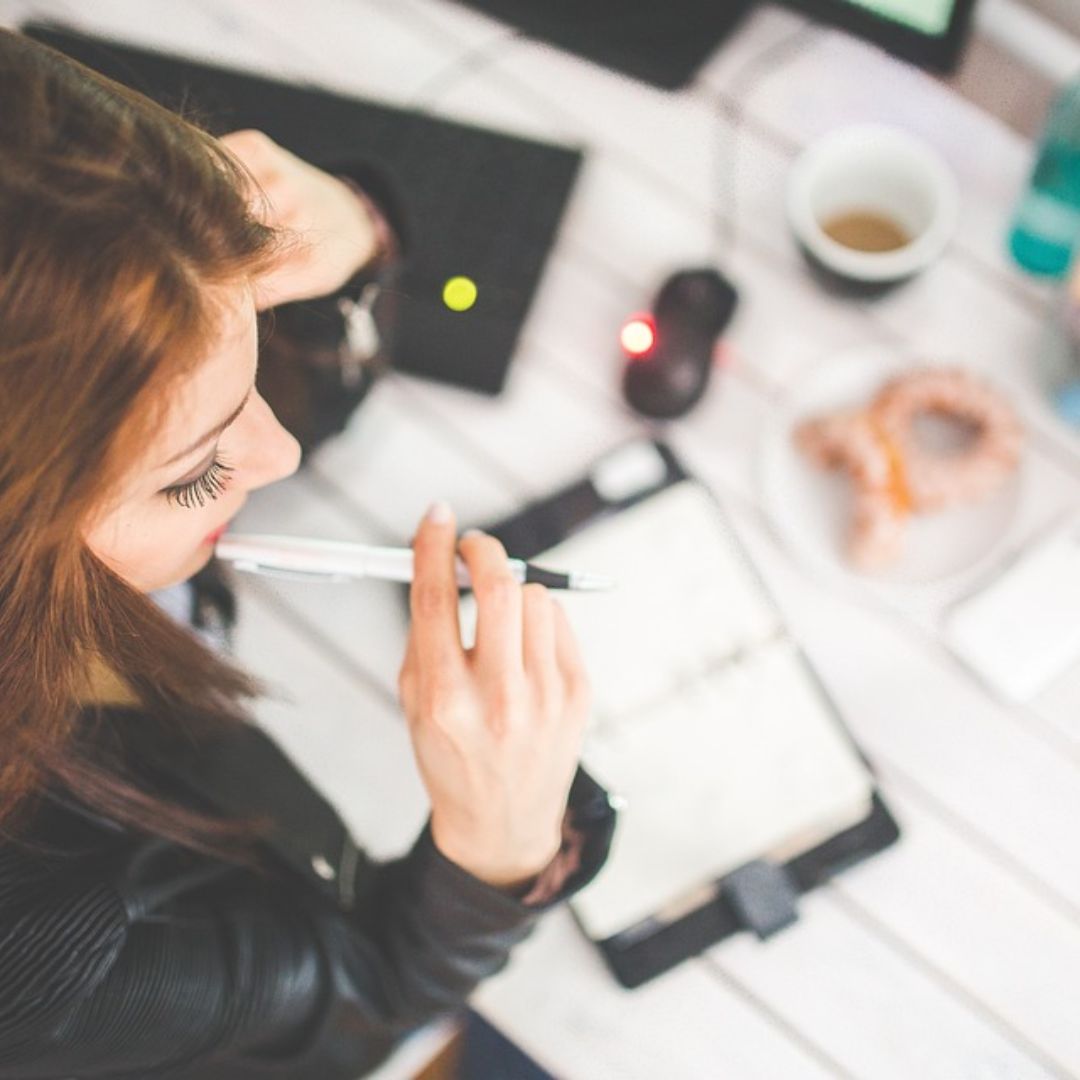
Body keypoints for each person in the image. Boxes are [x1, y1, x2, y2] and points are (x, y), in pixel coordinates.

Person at [0, 27, 614, 1079]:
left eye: (251, 327)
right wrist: (495, 851)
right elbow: (363, 1009)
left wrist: (355, 231)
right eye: (192, 473)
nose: (277, 455)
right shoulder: (40, 948)